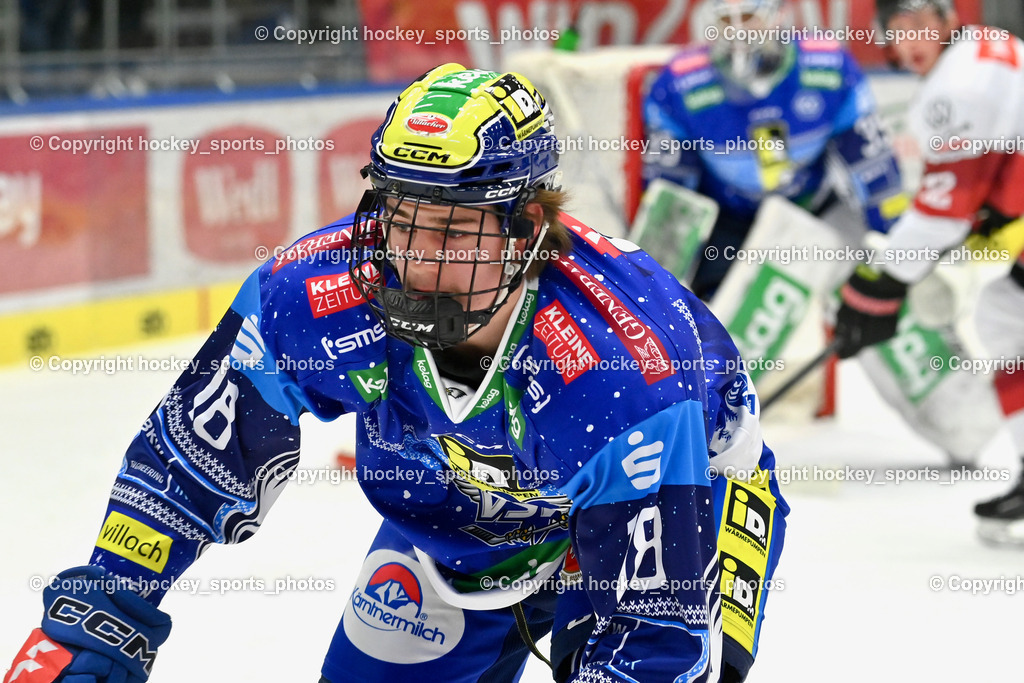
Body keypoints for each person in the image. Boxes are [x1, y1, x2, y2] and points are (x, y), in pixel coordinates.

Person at [4, 64, 788, 682]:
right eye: (402, 219)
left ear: (529, 229)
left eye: (451, 230)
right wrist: (108, 602)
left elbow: (652, 642)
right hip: (460, 524)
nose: (416, 260)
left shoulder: (622, 375)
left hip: (688, 498)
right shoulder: (315, 295)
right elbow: (191, 459)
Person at [834, 0, 1024, 544]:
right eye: (897, 30)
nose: (911, 41)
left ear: (945, 23)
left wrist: (877, 288)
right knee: (1007, 317)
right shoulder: (987, 50)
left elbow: (945, 213)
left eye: (921, 26)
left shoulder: (957, 87)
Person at [642, 0, 906, 300]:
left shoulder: (828, 67)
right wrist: (652, 287)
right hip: (729, 225)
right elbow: (670, 196)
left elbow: (874, 170)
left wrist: (897, 255)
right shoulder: (681, 84)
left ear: (779, 14)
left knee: (855, 299)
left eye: (749, 16)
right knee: (721, 322)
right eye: (728, 19)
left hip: (813, 212)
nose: (738, 31)